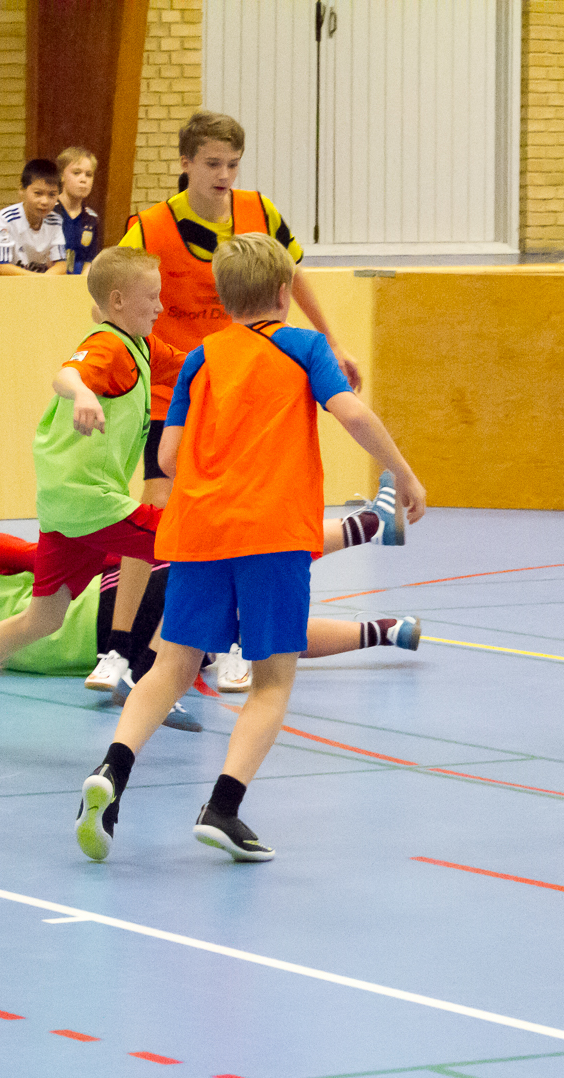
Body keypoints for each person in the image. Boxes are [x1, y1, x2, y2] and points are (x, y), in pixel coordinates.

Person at [75, 232, 426, 864]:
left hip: (199, 532)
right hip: (272, 536)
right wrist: (401, 472)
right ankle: (223, 807)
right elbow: (350, 414)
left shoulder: (201, 358)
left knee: (170, 666)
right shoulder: (304, 347)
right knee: (271, 681)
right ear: (285, 293)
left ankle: (112, 770)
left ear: (224, 297)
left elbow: (168, 457)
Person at [89, 110, 393, 693]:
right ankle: (118, 650)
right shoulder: (150, 227)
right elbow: (110, 294)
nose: (224, 175)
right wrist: (133, 356)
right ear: (185, 163)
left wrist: (332, 340)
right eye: (212, 164)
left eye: (232, 164)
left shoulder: (260, 213)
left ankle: (224, 644)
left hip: (240, 391)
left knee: (237, 517)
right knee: (154, 512)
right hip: (177, 390)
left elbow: (291, 276)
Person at [0, 246, 180, 746]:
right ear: (117, 301)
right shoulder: (107, 347)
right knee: (196, 551)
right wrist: (83, 392)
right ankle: (150, 673)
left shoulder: (141, 346)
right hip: (89, 499)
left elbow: (195, 365)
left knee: (42, 617)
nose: (160, 306)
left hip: (66, 506)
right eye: (152, 297)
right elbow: (65, 375)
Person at [0, 494, 199, 730]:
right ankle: (144, 679)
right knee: (183, 572)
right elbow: (48, 559)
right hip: (100, 618)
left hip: (86, 653)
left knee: (190, 641)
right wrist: (128, 552)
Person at [0, 159, 67, 276]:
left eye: (52, 195)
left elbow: (61, 265)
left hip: (31, 279)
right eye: (38, 193)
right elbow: (2, 268)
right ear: (22, 190)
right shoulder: (6, 220)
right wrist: (39, 280)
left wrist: (44, 280)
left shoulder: (55, 221)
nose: (45, 201)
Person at [55, 147, 100, 276]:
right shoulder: (49, 212)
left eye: (88, 175)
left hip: (78, 282)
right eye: (76, 173)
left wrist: (80, 284)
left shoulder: (92, 218)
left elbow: (90, 260)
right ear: (61, 176)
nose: (83, 179)